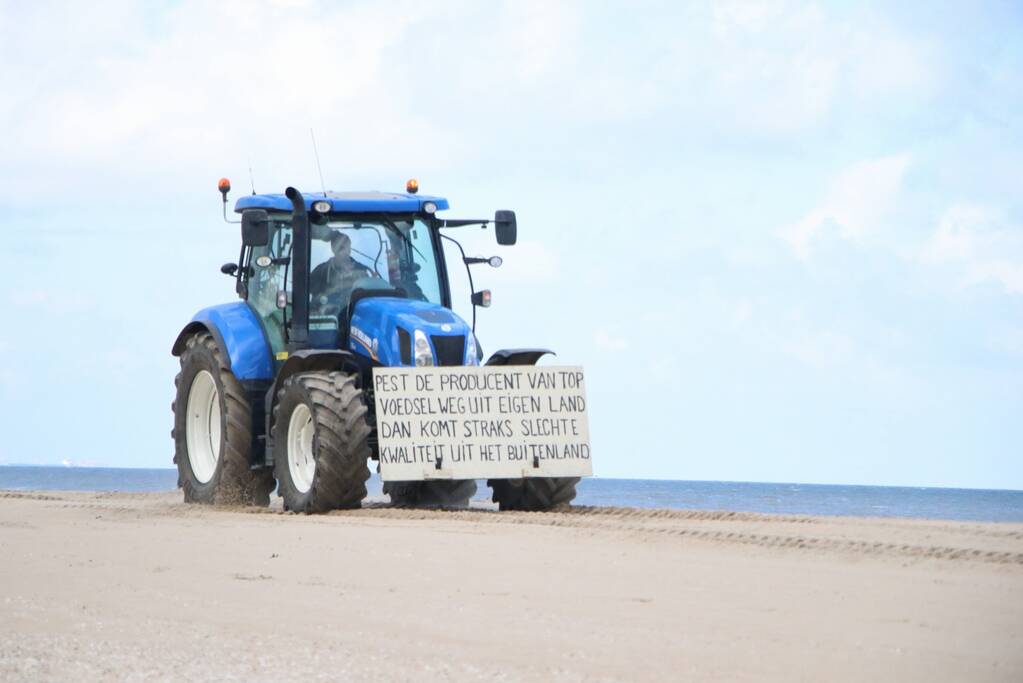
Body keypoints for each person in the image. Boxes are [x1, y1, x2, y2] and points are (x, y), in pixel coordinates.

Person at [309, 232, 373, 313]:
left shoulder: (363, 271)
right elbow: (309, 297)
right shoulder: (320, 271)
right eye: (340, 247)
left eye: (346, 246)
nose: (345, 251)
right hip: (326, 321)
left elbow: (369, 300)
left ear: (350, 248)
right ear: (333, 248)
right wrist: (328, 295)